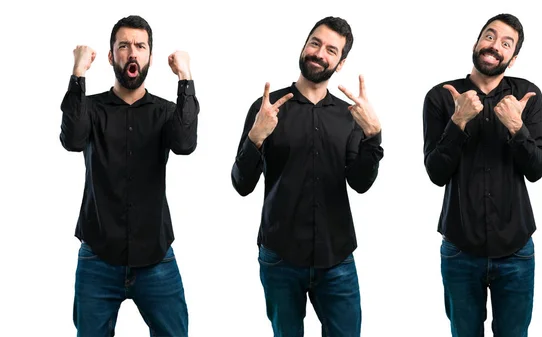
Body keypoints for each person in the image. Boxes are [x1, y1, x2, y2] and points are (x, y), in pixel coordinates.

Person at [231, 16, 383, 337]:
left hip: (336, 258)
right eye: (314, 43)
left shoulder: (348, 116)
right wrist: (255, 138)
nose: (319, 53)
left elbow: (360, 182)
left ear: (339, 63)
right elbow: (242, 184)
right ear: (304, 47)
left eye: (331, 50)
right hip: (279, 258)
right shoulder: (267, 110)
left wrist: (373, 136)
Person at [59, 15, 199, 337]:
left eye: (140, 46)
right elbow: (72, 139)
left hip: (156, 257)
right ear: (111, 56)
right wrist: (78, 72)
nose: (132, 53)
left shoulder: (165, 112)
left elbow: (185, 143)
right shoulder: (91, 109)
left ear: (150, 56)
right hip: (98, 257)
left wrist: (186, 77)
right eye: (124, 46)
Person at [422, 13, 542, 337]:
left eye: (506, 43)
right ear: (477, 43)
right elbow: (436, 172)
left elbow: (537, 169)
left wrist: (517, 128)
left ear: (513, 57)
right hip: (460, 248)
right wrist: (458, 122)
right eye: (490, 36)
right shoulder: (441, 97)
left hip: (517, 249)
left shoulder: (527, 97)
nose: (495, 46)